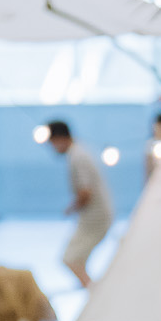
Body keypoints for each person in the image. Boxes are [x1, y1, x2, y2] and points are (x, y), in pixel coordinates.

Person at [43, 120, 113, 287]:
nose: (53, 148)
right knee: (76, 260)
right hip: (94, 217)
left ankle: (94, 294)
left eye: (52, 143)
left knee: (71, 258)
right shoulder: (79, 152)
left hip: (95, 218)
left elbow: (85, 191)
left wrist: (72, 207)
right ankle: (92, 291)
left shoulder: (78, 156)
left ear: (59, 138)